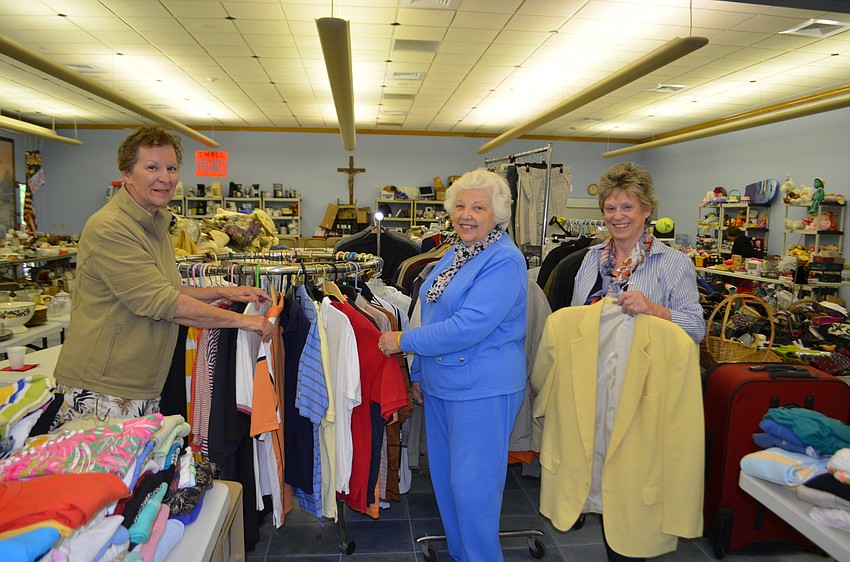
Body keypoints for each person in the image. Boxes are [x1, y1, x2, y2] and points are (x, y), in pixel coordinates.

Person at [54, 125, 274, 423]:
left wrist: (223, 292)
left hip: (138, 382)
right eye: (152, 167)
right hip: (103, 387)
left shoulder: (153, 223)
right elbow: (163, 303)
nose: (166, 177)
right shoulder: (111, 228)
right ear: (127, 174)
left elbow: (166, 289)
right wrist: (242, 321)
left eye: (171, 168)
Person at [378, 168, 527, 562]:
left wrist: (402, 343)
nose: (466, 214)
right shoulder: (457, 252)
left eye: (478, 207)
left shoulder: (504, 260)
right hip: (443, 384)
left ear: (497, 214)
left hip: (482, 388)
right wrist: (420, 373)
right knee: (447, 485)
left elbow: (468, 327)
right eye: (460, 205)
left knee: (474, 490)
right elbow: (430, 310)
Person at [572, 162, 705, 344]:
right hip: (592, 366)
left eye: (627, 207)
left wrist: (654, 310)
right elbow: (574, 319)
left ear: (647, 209)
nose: (618, 216)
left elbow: (696, 329)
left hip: (647, 369)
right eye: (611, 208)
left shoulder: (675, 263)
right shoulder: (591, 258)